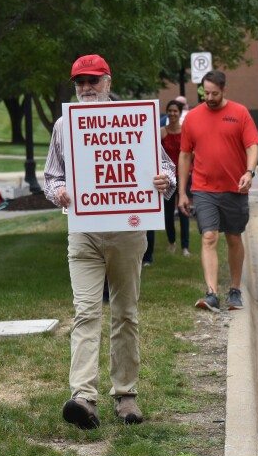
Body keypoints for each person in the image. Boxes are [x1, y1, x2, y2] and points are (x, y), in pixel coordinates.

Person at [44, 54, 177, 429]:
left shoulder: (136, 120)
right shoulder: (63, 126)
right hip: (83, 232)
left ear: (108, 82)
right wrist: (61, 192)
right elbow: (51, 176)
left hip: (128, 230)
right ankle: (83, 397)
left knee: (124, 313)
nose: (86, 88)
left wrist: (164, 183)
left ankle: (126, 395)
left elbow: (166, 168)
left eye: (93, 81)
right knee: (86, 311)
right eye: (80, 83)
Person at [178, 70, 258, 312]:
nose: (209, 97)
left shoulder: (240, 113)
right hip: (203, 189)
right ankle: (212, 293)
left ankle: (235, 290)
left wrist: (249, 172)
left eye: (215, 93)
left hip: (234, 187)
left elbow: (253, 145)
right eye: (206, 93)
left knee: (234, 237)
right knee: (209, 237)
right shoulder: (192, 118)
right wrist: (183, 192)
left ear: (224, 90)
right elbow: (184, 155)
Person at [160, 99, 191, 257]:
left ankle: (185, 247)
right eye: (169, 110)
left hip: (184, 175)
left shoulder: (186, 131)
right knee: (167, 213)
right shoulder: (161, 132)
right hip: (167, 177)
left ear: (180, 113)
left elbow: (191, 153)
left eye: (175, 111)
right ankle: (171, 242)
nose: (172, 114)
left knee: (184, 210)